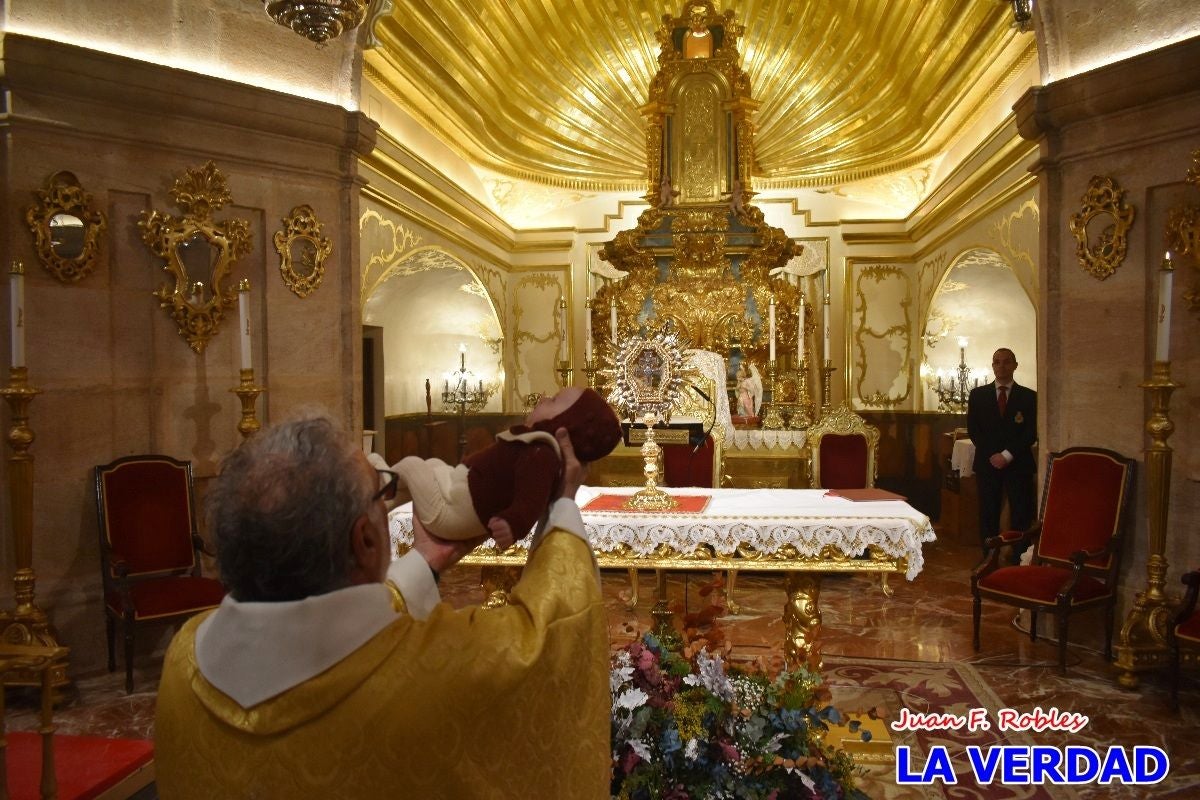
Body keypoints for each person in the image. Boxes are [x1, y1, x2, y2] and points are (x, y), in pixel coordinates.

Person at [155, 413, 611, 799]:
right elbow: (553, 637)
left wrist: (425, 563)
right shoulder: (453, 671)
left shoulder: (184, 662)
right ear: (366, 539)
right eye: (383, 489)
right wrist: (562, 504)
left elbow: (320, 631)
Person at [376, 387, 620, 549]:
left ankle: (378, 479)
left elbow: (530, 499)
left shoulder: (542, 453)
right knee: (432, 465)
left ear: (563, 426)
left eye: (554, 400)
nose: (544, 399)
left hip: (452, 513)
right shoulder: (537, 448)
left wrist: (513, 524)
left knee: (413, 465)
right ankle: (384, 502)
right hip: (456, 494)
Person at [967, 347, 1037, 559]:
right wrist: (993, 455)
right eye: (997, 362)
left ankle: (1019, 557)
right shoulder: (978, 395)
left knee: (1020, 513)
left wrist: (1007, 455)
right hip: (988, 463)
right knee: (988, 512)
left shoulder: (1029, 397)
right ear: (992, 366)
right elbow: (974, 429)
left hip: (1018, 464)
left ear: (1015, 365)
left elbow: (1031, 432)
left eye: (1007, 362)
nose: (1002, 366)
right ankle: (988, 557)